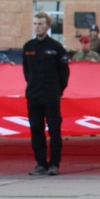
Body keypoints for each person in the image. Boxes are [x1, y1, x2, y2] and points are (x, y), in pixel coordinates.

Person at [22, 12, 69, 176]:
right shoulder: (28, 47)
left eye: (41, 24)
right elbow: (26, 72)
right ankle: (41, 163)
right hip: (34, 95)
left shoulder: (56, 47)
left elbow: (64, 73)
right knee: (36, 129)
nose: (37, 26)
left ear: (48, 27)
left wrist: (58, 90)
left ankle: (54, 164)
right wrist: (33, 86)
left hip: (51, 95)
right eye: (35, 23)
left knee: (54, 129)